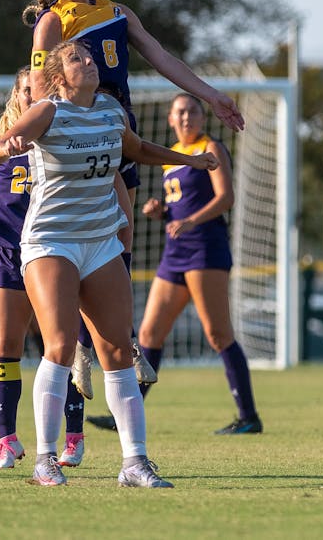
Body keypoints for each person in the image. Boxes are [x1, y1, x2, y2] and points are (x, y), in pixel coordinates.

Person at [0, 41, 219, 487]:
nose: (89, 62)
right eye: (76, 59)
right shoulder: (48, 111)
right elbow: (4, 142)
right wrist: (11, 142)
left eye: (90, 57)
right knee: (59, 345)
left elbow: (138, 149)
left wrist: (189, 160)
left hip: (100, 240)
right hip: (51, 240)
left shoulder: (111, 109)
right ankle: (45, 460)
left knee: (116, 352)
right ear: (58, 76)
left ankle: (135, 463)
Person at [22, 0, 244, 399]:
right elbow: (42, 92)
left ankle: (105, 340)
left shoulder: (118, 12)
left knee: (120, 234)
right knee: (87, 236)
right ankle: (83, 343)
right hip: (77, 140)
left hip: (117, 131)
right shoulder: (51, 23)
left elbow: (163, 58)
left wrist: (212, 96)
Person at [89, 93, 262, 434]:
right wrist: (162, 213)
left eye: (193, 112)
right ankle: (125, 413)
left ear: (202, 117)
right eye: (180, 113)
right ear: (170, 119)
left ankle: (248, 417)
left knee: (218, 334)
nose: (186, 118)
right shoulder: (170, 156)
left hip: (205, 251)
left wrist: (190, 221)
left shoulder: (210, 148)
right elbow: (178, 209)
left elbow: (225, 197)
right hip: (175, 253)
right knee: (149, 332)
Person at [0, 67, 86, 470]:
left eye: (37, 93)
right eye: (25, 92)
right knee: (4, 348)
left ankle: (73, 437)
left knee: (57, 348)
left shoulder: (56, 134)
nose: (30, 99)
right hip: (7, 254)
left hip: (50, 252)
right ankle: (7, 440)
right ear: (15, 96)